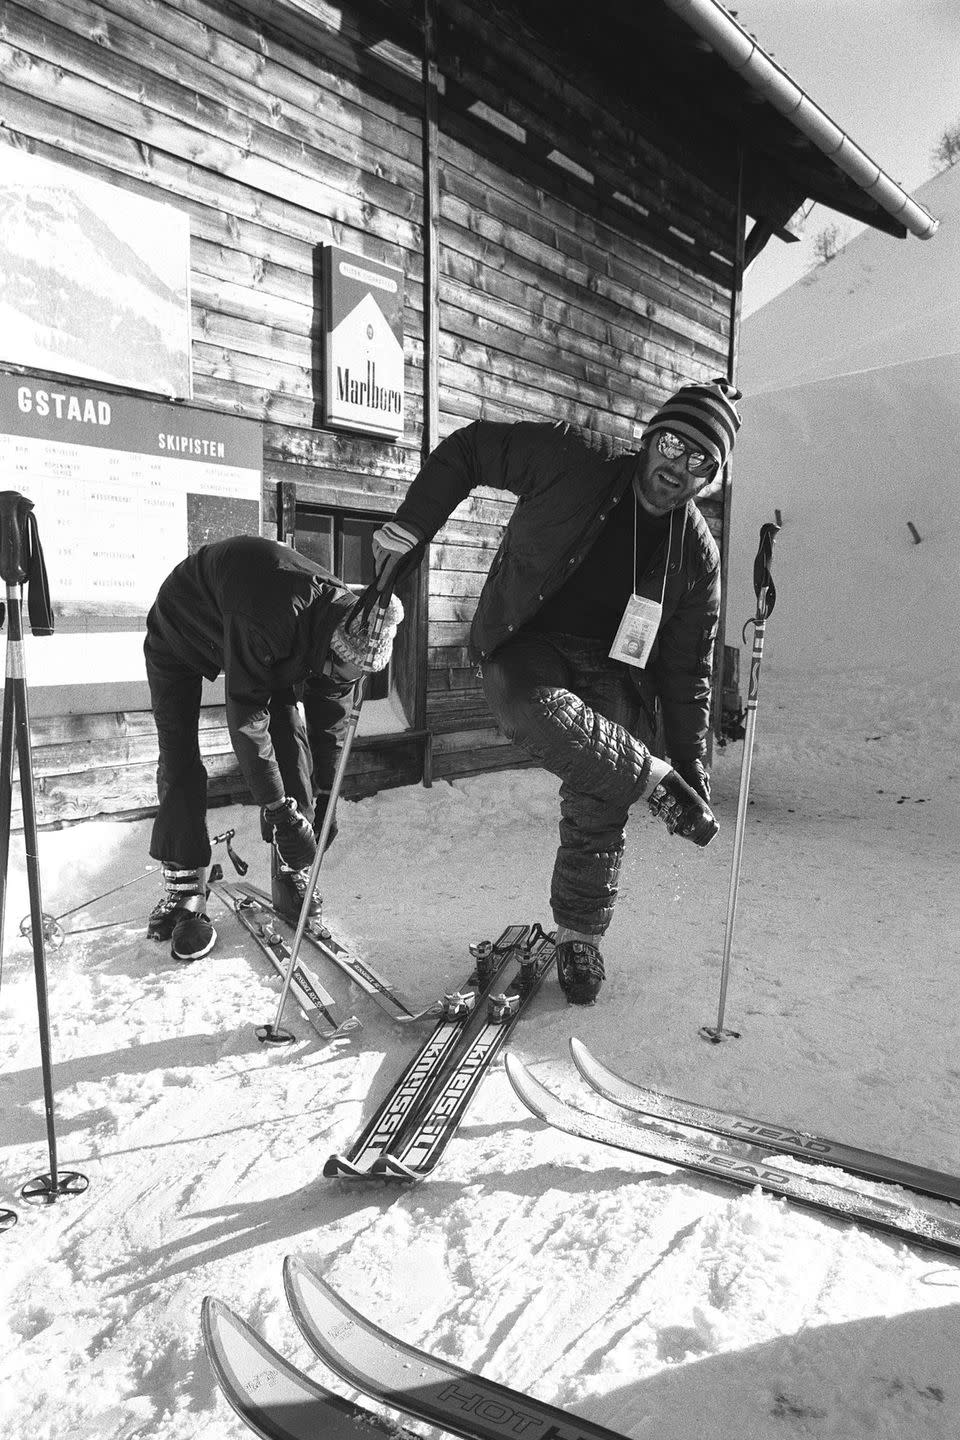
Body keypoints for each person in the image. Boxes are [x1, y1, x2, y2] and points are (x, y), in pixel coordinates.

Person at [373, 377, 741, 1004]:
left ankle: (580, 939)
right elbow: (469, 449)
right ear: (650, 439)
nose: (677, 467)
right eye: (673, 445)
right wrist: (413, 526)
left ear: (709, 478)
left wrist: (692, 764)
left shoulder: (697, 556)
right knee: (528, 706)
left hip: (615, 667)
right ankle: (648, 778)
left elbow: (687, 671)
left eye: (698, 460)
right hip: (527, 641)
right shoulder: (575, 458)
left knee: (600, 800)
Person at [143, 535, 402, 960]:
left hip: (269, 637)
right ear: (333, 643)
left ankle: (289, 868)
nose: (348, 678)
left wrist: (321, 805)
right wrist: (280, 811)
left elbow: (330, 731)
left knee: (291, 734)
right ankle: (184, 882)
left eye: (360, 672)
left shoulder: (349, 642)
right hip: (182, 626)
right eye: (345, 668)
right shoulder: (270, 616)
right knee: (179, 755)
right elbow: (246, 716)